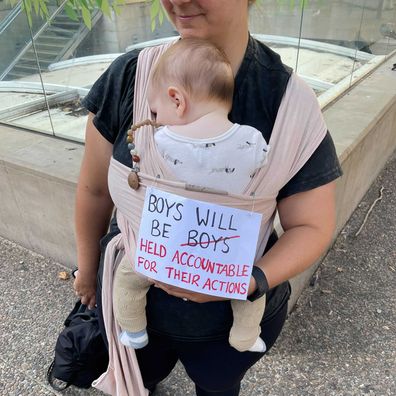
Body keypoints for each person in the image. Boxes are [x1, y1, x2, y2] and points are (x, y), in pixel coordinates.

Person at [74, 1, 342, 395]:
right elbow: (94, 189)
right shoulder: (131, 76)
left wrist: (246, 282)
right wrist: (87, 269)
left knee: (218, 385)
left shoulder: (287, 103)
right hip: (131, 309)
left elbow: (312, 224)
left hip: (227, 327)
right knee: (140, 380)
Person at [113, 38, 269, 354]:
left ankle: (134, 332)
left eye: (155, 111)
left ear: (177, 100)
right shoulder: (253, 140)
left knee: (129, 279)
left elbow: (138, 172)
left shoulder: (159, 142)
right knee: (250, 290)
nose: (154, 118)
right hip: (228, 253)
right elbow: (267, 174)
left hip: (166, 251)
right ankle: (245, 337)